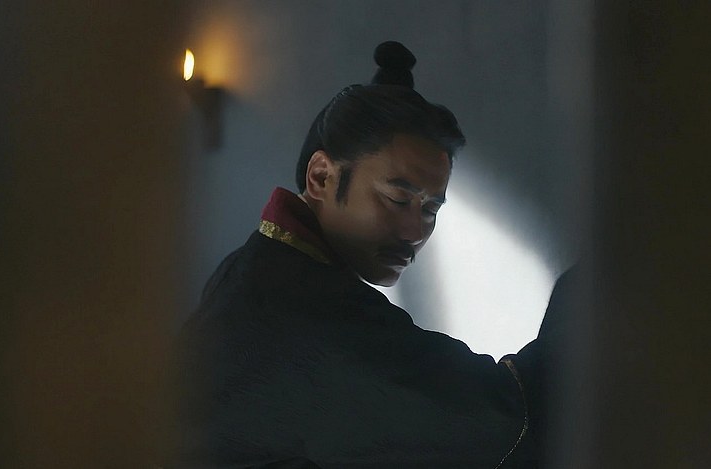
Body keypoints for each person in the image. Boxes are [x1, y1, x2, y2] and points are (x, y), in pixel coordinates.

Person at [162, 41, 544, 468]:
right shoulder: (305, 307)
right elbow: (493, 416)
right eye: (397, 200)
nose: (415, 232)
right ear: (321, 177)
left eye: (431, 210)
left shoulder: (253, 266)